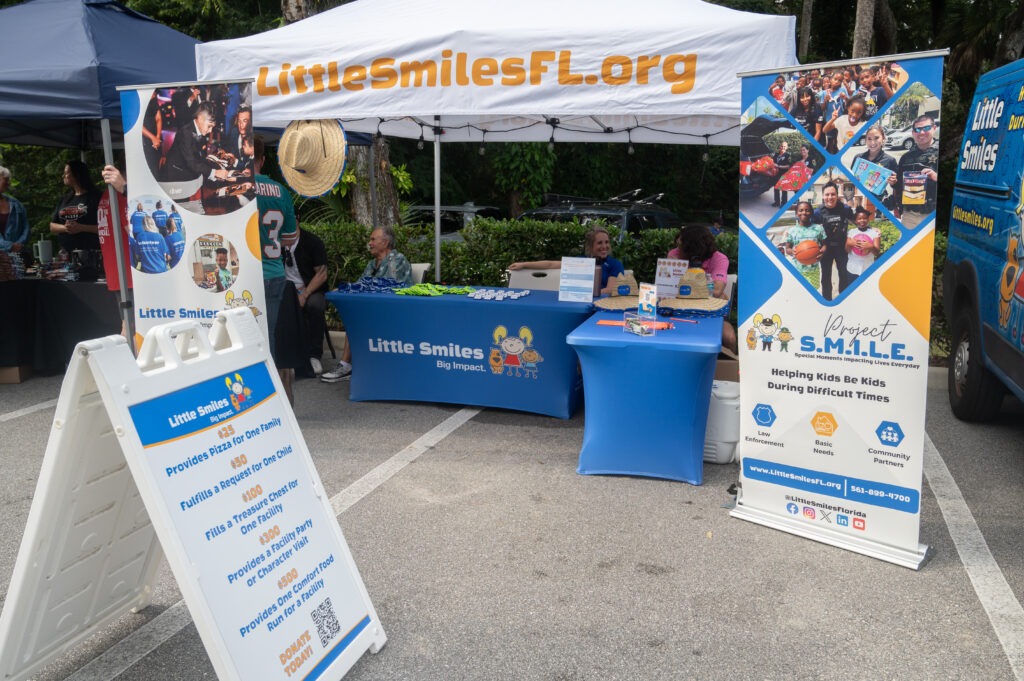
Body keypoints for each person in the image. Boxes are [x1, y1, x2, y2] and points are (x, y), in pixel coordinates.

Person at [322, 225, 412, 383]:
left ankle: (346, 365)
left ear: (385, 243)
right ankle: (346, 365)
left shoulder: (397, 260)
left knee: (357, 320)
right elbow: (361, 285)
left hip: (395, 312)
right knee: (354, 319)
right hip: (376, 309)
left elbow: (388, 287)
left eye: (373, 239)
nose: (369, 243)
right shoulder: (372, 264)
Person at [253, 135, 300, 404]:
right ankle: (276, 399)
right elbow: (291, 238)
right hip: (274, 273)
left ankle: (265, 401)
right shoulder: (280, 191)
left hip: (245, 276)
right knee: (270, 337)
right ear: (262, 159)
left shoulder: (237, 187)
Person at [667, 225, 737, 354]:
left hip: (711, 313)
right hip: (680, 310)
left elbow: (717, 291)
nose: (677, 249)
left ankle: (729, 369)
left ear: (692, 247)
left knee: (729, 338)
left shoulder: (718, 258)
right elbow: (669, 287)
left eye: (681, 246)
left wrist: (689, 275)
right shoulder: (674, 255)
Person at [508, 226, 625, 294]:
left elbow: (610, 290)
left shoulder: (615, 264)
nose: (604, 246)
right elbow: (551, 264)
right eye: (600, 243)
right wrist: (523, 265)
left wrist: (588, 295)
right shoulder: (581, 262)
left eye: (607, 242)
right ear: (590, 246)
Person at [283, 223, 329, 376]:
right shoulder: (276, 243)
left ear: (295, 219)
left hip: (311, 288)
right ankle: (285, 356)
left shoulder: (312, 241)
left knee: (315, 305)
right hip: (287, 289)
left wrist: (304, 293)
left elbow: (322, 274)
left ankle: (314, 355)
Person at [97, 165, 134, 338]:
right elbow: (133, 232)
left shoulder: (106, 196)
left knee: (127, 324)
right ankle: (132, 364)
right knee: (132, 328)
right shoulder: (120, 196)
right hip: (128, 271)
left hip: (117, 271)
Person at [161, 101, 233, 184]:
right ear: (200, 118)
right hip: (175, 176)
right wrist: (214, 172)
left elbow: (199, 158)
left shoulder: (199, 130)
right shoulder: (185, 133)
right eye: (209, 126)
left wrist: (216, 169)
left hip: (186, 173)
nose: (210, 131)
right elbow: (191, 162)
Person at [894, 114, 939, 229]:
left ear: (934, 128)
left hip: (932, 214)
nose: (922, 132)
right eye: (917, 129)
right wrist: (893, 182)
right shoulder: (906, 157)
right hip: (910, 214)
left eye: (926, 128)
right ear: (913, 133)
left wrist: (936, 177)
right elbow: (898, 185)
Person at [813, 182, 855, 300]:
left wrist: (872, 229)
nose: (830, 197)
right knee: (825, 277)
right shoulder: (817, 212)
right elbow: (811, 231)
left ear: (837, 195)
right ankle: (827, 300)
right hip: (826, 249)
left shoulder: (845, 209)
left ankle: (843, 300)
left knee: (844, 276)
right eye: (827, 194)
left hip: (841, 248)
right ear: (822, 196)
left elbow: (857, 221)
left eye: (833, 194)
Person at [49, 160, 101, 254]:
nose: (63, 176)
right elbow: (52, 226)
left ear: (77, 175)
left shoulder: (96, 198)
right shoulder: (65, 199)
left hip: (90, 253)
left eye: (66, 173)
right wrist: (66, 228)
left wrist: (81, 227)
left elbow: (106, 228)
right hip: (66, 254)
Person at [784, 200, 827, 291]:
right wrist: (792, 251)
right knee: (798, 294)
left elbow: (825, 245)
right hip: (797, 269)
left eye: (807, 210)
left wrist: (822, 253)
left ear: (811, 213)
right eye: (801, 210)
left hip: (813, 269)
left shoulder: (818, 228)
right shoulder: (792, 231)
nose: (804, 212)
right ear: (796, 213)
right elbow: (787, 248)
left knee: (813, 294)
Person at [851, 123, 899, 205]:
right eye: (869, 139)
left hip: (879, 202)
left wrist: (894, 182)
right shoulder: (858, 158)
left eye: (876, 138)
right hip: (859, 199)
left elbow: (897, 187)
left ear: (883, 138)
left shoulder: (890, 160)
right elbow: (850, 181)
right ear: (865, 140)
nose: (872, 142)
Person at [845, 206, 881, 280]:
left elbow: (876, 253)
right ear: (855, 221)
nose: (862, 220)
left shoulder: (874, 233)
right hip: (852, 268)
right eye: (859, 218)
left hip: (868, 268)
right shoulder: (851, 233)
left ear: (868, 219)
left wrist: (871, 247)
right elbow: (847, 251)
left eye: (865, 218)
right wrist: (849, 244)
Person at [0, 166, 29, 258]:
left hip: (16, 256)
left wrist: (18, 244)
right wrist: (9, 246)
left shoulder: (16, 204)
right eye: (6, 179)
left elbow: (26, 227)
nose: (8, 183)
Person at [770, 141, 792, 208]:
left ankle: (784, 204)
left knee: (784, 190)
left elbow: (788, 166)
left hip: (784, 175)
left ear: (787, 147)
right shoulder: (776, 155)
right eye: (782, 146)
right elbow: (772, 163)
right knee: (776, 188)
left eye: (784, 146)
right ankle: (777, 202)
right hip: (776, 174)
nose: (783, 147)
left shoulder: (788, 156)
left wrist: (778, 166)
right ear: (780, 147)